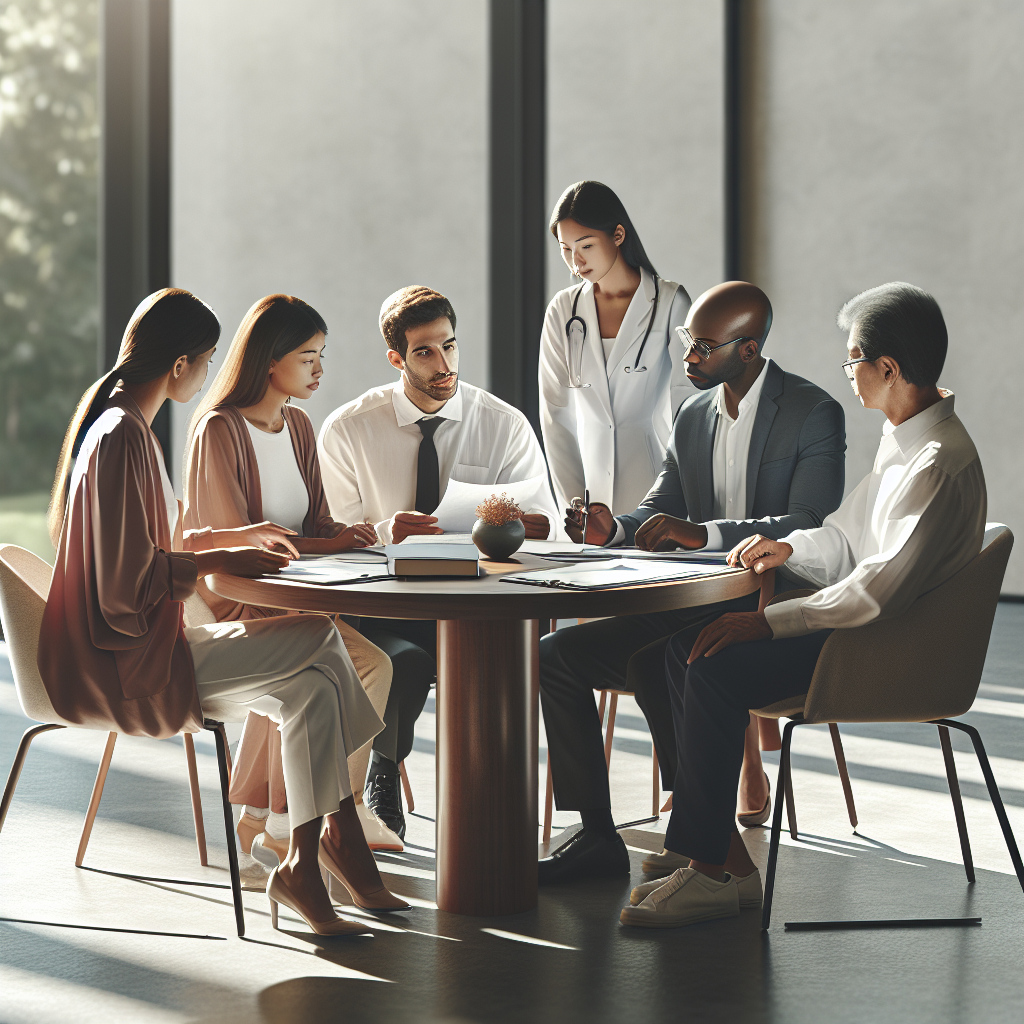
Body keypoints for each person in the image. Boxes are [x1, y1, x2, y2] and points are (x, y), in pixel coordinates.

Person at [39, 288, 408, 937]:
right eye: (205, 360)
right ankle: (335, 838)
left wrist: (224, 543)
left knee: (314, 685)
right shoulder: (125, 436)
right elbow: (128, 582)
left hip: (127, 649)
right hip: (130, 663)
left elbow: (154, 549)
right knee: (322, 646)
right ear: (181, 365)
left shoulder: (117, 425)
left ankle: (304, 857)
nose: (208, 373)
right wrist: (208, 565)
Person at [621, 281, 986, 928]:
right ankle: (720, 862)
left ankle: (710, 870)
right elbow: (848, 536)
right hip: (868, 634)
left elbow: (879, 586)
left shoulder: (935, 463)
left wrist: (766, 621)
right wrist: (786, 548)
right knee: (678, 653)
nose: (848, 376)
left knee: (707, 660)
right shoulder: (907, 441)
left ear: (888, 369)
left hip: (881, 653)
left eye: (852, 362)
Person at [538, 281, 847, 883]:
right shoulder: (692, 414)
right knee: (556, 657)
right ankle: (598, 835)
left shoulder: (814, 413)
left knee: (659, 663)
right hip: (692, 600)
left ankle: (704, 838)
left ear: (750, 349)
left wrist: (704, 535)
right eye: (687, 342)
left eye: (705, 347)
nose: (688, 359)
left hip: (768, 603)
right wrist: (613, 529)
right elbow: (662, 508)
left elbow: (808, 524)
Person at [318, 285, 558, 838]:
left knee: (497, 665)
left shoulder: (503, 424)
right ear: (396, 358)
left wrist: (514, 522)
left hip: (478, 606)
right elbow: (333, 538)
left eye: (450, 346)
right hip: (382, 604)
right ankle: (383, 767)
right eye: (425, 352)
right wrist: (384, 531)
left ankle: (493, 816)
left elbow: (545, 525)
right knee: (401, 662)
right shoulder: (349, 430)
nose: (444, 363)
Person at [183, 294, 401, 859]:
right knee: (366, 666)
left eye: (321, 355)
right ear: (270, 359)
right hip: (241, 596)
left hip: (297, 594)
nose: (320, 370)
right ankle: (322, 814)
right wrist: (329, 543)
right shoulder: (219, 430)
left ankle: (271, 819)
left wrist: (369, 532)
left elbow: (320, 523)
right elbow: (239, 541)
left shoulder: (299, 426)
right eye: (309, 357)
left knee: (341, 669)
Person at [539, 180, 692, 516]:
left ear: (618, 235)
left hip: (654, 484)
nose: (575, 262)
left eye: (586, 246)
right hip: (587, 495)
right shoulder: (563, 310)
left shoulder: (668, 301)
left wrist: (674, 494)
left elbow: (687, 407)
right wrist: (575, 507)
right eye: (565, 249)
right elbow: (556, 418)